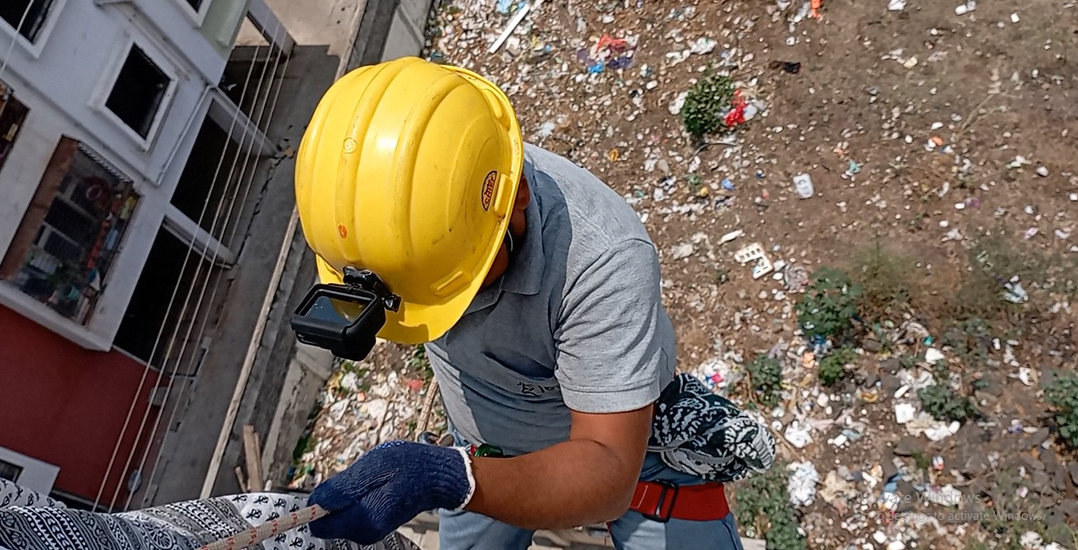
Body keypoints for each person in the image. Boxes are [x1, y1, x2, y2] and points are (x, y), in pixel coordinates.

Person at [293, 57, 775, 550]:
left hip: (622, 442)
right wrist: (461, 471)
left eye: (461, 286)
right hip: (485, 446)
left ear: (517, 196)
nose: (452, 312)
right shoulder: (403, 219)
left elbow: (607, 468)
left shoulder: (603, 259)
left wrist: (450, 479)